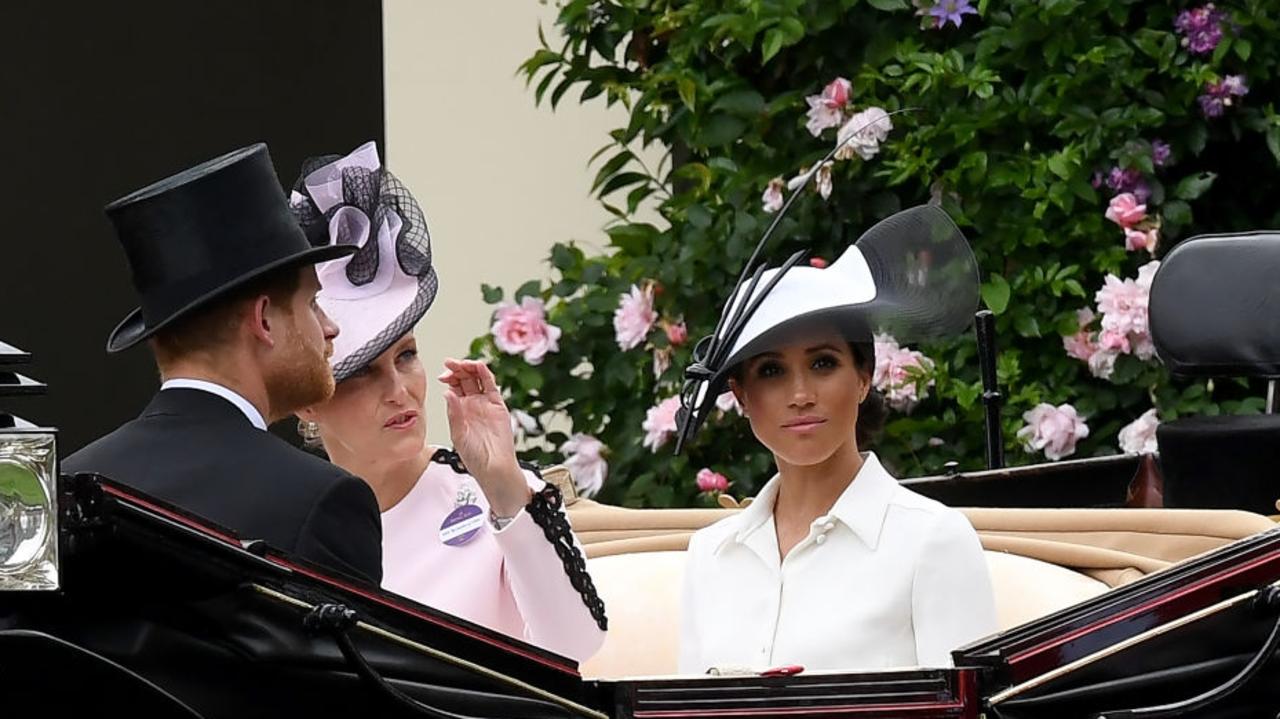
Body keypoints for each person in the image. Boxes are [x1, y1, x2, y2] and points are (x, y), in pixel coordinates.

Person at [290, 142, 606, 661]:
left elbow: (576, 645)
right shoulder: (292, 521)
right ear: (308, 402)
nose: (400, 389)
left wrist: (504, 487)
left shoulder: (498, 494)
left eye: (407, 355)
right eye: (363, 372)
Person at [675, 204, 997, 673]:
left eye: (823, 363)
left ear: (863, 377)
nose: (801, 394)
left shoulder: (932, 540)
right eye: (771, 371)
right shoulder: (711, 555)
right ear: (741, 396)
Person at [64, 144, 383, 584]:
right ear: (264, 320)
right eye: (312, 303)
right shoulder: (321, 499)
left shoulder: (68, 485)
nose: (330, 329)